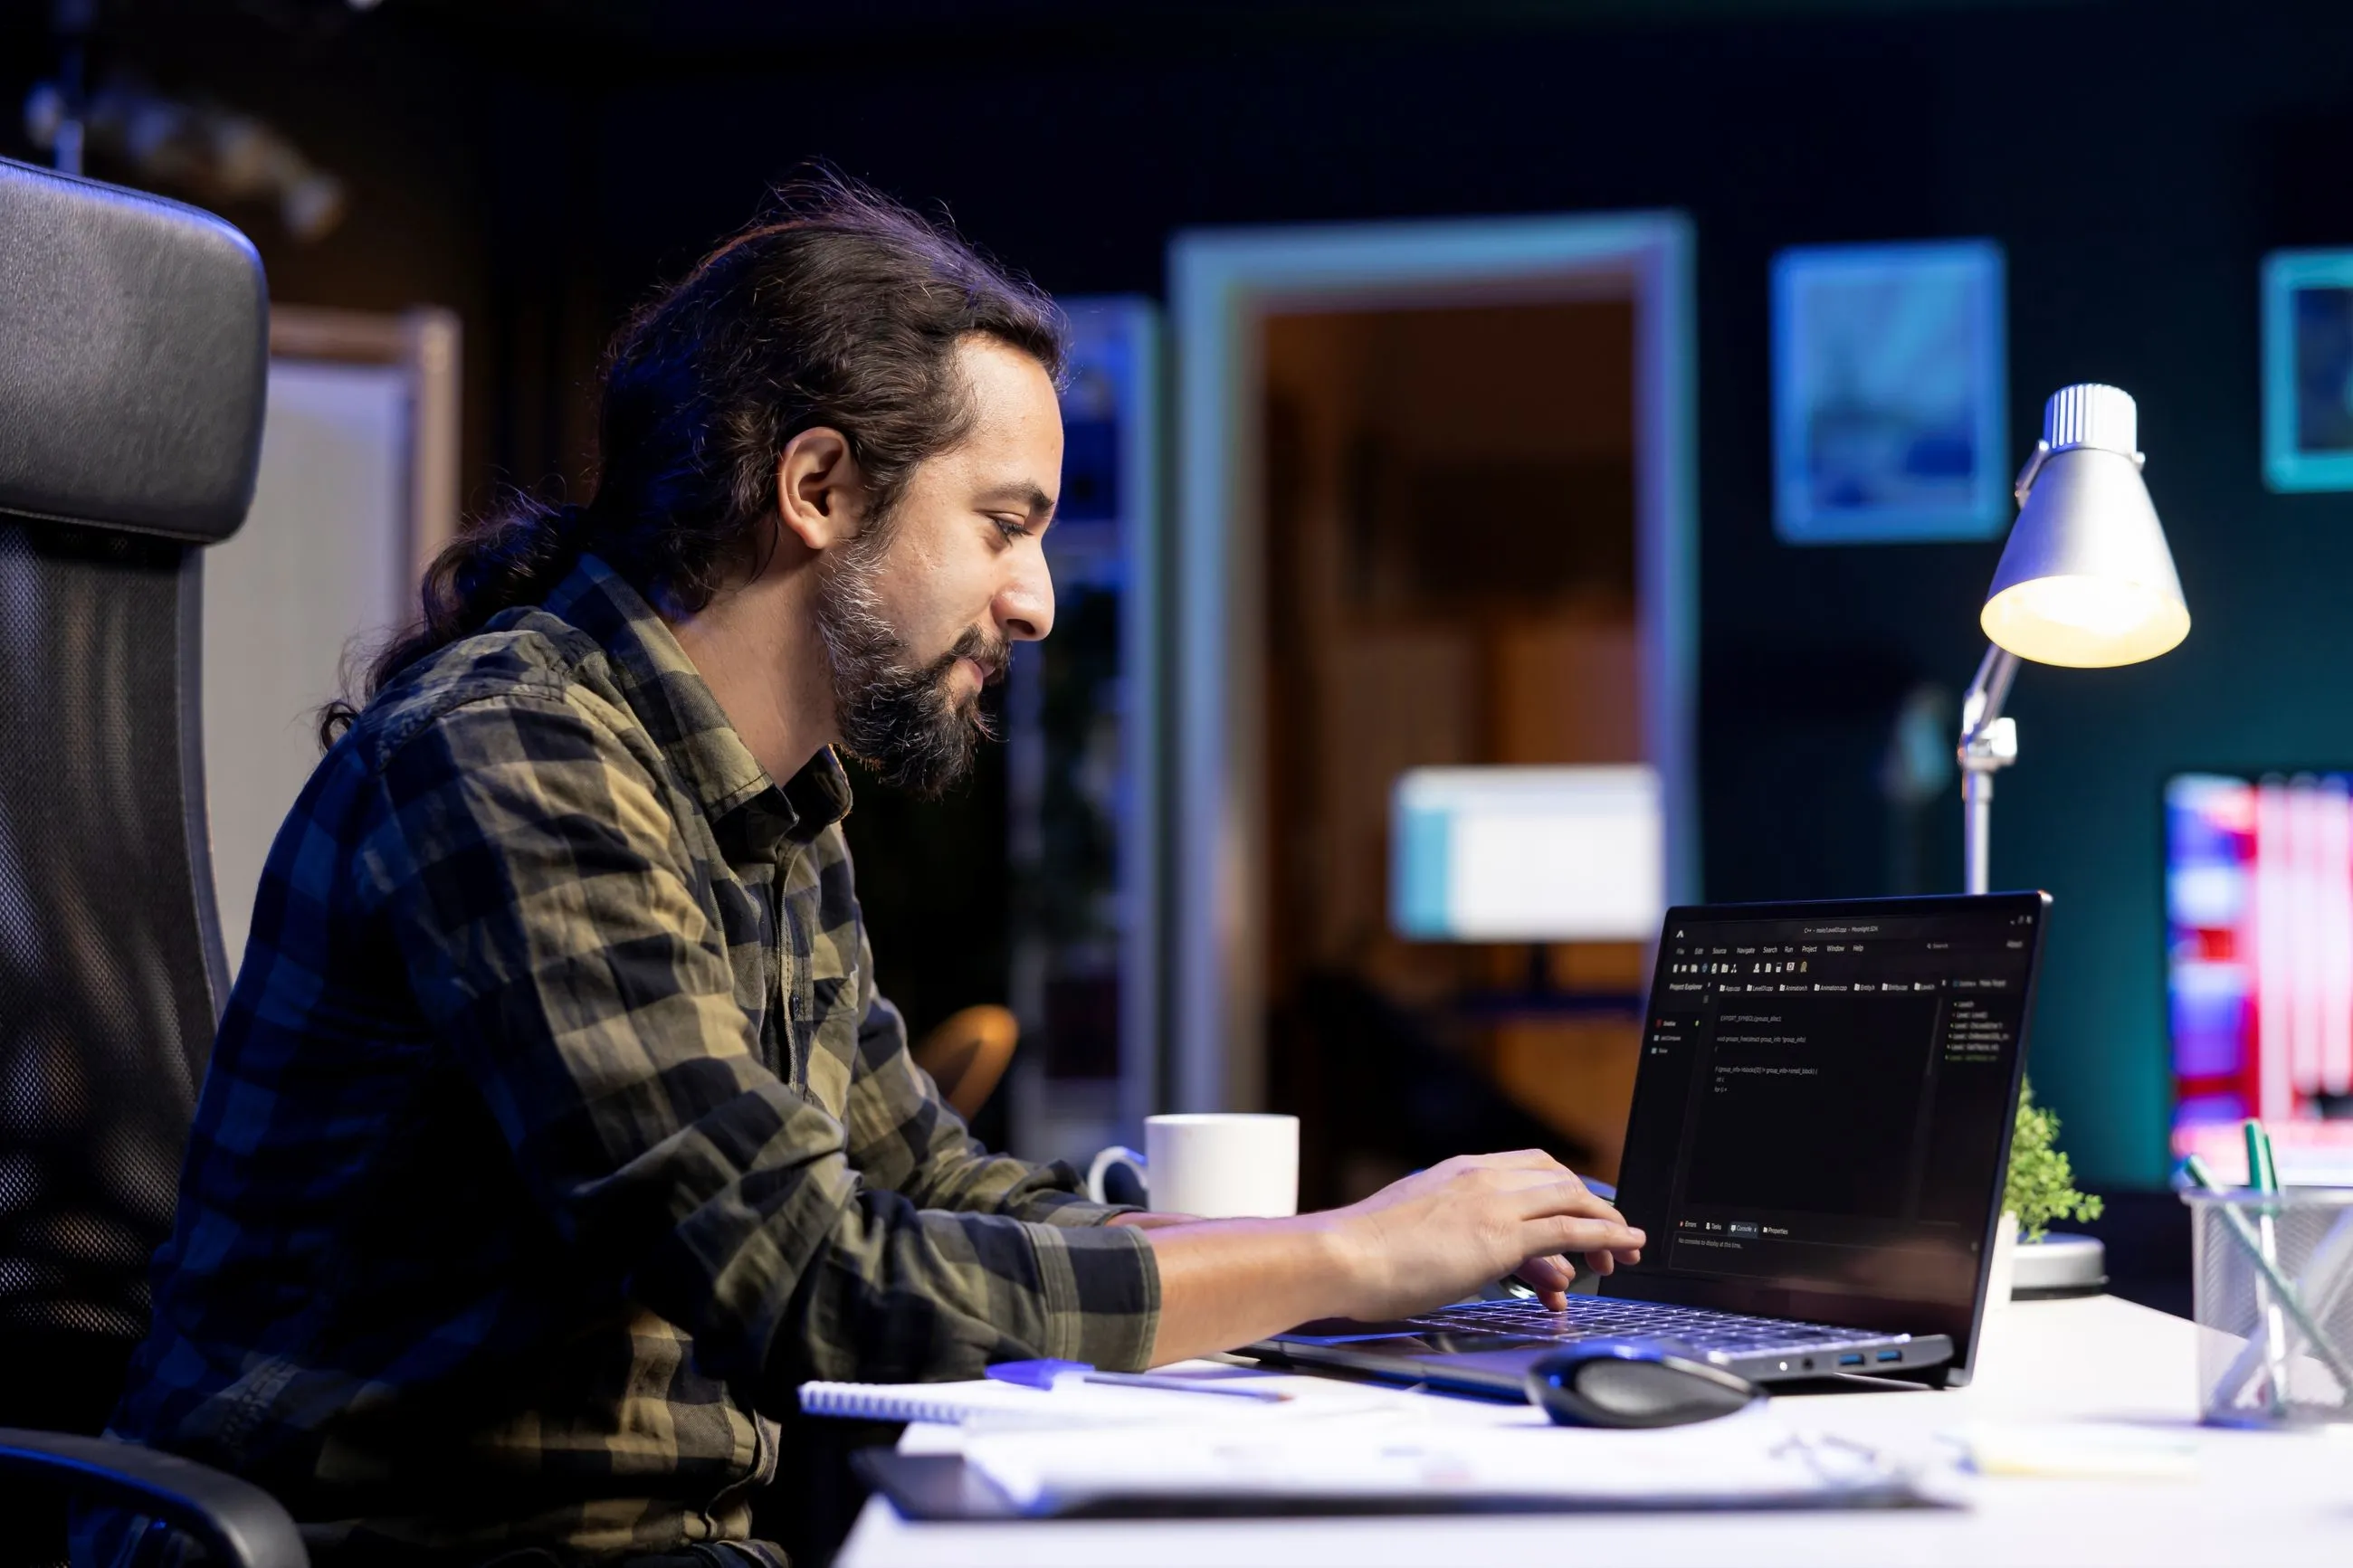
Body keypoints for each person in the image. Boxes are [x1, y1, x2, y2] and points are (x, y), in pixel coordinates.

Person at [99, 176, 1642, 1567]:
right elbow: (809, 1277)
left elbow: (921, 1184)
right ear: (819, 487)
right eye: (1004, 525)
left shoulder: (775, 795)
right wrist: (1344, 1258)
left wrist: (1393, 1267)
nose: (1035, 601)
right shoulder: (513, 763)